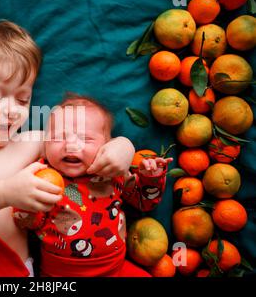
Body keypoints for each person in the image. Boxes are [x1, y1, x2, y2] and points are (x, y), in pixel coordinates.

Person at [0, 20, 136, 277]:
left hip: (18, 272)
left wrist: (124, 146)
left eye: (23, 99)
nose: (11, 110)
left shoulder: (32, 141)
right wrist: (4, 193)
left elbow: (81, 146)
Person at [13, 94, 172, 277]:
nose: (71, 145)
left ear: (106, 146)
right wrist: (25, 200)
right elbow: (26, 222)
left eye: (86, 139)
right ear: (45, 145)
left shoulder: (111, 173)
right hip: (60, 274)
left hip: (115, 269)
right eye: (58, 138)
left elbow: (145, 202)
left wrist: (151, 177)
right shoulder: (42, 176)